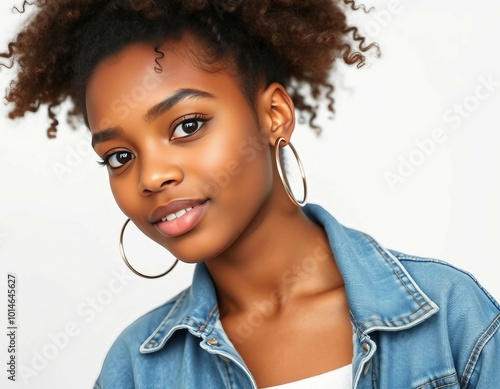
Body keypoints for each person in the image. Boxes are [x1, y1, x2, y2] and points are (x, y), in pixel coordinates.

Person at [2, 0, 499, 388]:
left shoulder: (447, 316)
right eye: (119, 157)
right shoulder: (136, 369)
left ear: (274, 115)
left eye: (187, 125)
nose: (151, 177)